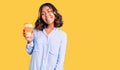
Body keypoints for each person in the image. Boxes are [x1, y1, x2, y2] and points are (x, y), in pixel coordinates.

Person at [23, 3, 67, 70]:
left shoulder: (62, 35)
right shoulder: (35, 31)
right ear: (41, 17)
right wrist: (29, 40)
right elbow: (29, 51)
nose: (46, 15)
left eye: (49, 11)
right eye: (43, 14)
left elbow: (60, 60)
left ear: (54, 12)